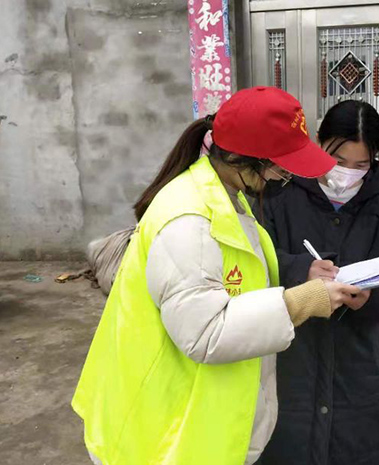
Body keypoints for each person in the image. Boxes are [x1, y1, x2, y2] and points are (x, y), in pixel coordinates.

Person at [71, 87, 361, 465]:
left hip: (186, 410)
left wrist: (299, 273)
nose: (283, 175)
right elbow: (206, 332)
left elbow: (240, 277)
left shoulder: (224, 196)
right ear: (244, 158)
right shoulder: (188, 221)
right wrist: (304, 301)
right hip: (156, 430)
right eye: (278, 166)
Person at [257, 100, 379, 465]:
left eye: (360, 165)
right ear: (318, 142)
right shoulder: (278, 199)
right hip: (293, 362)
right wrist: (301, 270)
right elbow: (254, 262)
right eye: (338, 160)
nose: (346, 174)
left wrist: (370, 298)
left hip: (359, 370)